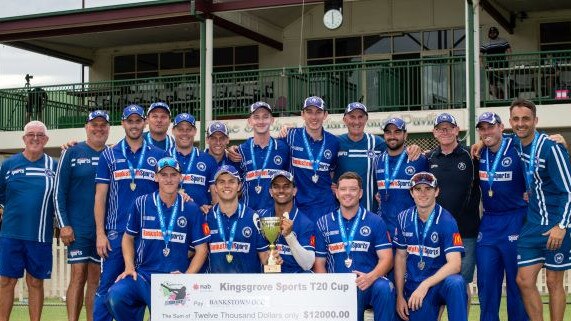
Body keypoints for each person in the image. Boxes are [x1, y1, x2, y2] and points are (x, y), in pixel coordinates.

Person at [106, 157, 209, 321]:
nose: (169, 179)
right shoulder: (141, 203)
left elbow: (202, 250)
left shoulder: (191, 208)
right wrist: (129, 267)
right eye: (164, 174)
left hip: (174, 281)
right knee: (115, 296)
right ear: (156, 177)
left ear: (180, 178)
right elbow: (127, 238)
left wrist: (188, 277)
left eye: (173, 174)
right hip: (144, 276)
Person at [93, 105, 166, 321]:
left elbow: (168, 188)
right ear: (123, 124)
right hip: (117, 232)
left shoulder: (159, 155)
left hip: (149, 235)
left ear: (144, 123)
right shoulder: (109, 155)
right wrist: (100, 233)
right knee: (107, 287)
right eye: (129, 121)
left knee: (151, 287)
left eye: (138, 121)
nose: (134, 125)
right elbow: (100, 196)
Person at [509, 99, 571, 321]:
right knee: (523, 281)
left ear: (535, 120)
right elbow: (494, 141)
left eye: (526, 119)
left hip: (556, 226)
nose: (521, 123)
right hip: (532, 224)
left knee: (554, 282)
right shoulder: (515, 144)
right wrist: (477, 145)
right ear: (510, 122)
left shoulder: (551, 148)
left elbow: (569, 191)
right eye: (516, 119)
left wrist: (561, 226)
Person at [314, 172, 395, 321]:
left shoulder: (375, 221)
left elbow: (387, 259)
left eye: (353, 189)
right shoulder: (323, 223)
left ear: (360, 193)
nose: (348, 193)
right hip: (338, 288)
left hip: (368, 284)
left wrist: (370, 277)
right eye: (343, 189)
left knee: (385, 287)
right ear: (337, 193)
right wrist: (327, 287)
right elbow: (319, 263)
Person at [54, 110, 110, 321]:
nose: (98, 128)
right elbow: (58, 191)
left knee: (96, 279)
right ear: (87, 127)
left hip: (102, 230)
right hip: (78, 227)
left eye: (103, 125)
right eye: (94, 125)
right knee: (78, 275)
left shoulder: (112, 154)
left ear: (108, 128)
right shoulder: (71, 152)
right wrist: (63, 224)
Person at [0, 121, 57, 321]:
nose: (35, 138)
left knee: (35, 283)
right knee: (6, 282)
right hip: (10, 235)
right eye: (30, 134)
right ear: (24, 139)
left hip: (40, 236)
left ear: (46, 140)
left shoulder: (54, 166)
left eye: (40, 135)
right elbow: (1, 197)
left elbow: (60, 198)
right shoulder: (8, 165)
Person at [475, 111, 528, 321]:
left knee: (517, 284)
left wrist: (556, 138)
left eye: (491, 126)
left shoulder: (517, 147)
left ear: (501, 127)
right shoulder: (477, 153)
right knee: (486, 284)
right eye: (482, 128)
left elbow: (536, 142)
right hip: (488, 222)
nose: (487, 131)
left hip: (516, 219)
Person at [394, 172, 467, 321]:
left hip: (439, 283)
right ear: (411, 193)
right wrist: (400, 295)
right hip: (415, 284)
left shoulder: (447, 220)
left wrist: (425, 285)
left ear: (437, 191)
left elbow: (455, 264)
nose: (423, 193)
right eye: (418, 189)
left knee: (456, 283)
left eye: (428, 189)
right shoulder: (403, 218)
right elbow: (400, 257)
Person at [427, 112, 480, 309]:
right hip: (437, 234)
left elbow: (500, 145)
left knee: (461, 283)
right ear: (435, 133)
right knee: (437, 282)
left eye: (450, 127)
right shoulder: (428, 158)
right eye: (441, 128)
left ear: (457, 130)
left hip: (466, 233)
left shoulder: (473, 155)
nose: (446, 131)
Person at [203, 165, 278, 273]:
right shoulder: (206, 217)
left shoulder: (253, 217)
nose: (226, 186)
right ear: (215, 188)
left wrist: (272, 259)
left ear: (239, 186)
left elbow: (264, 257)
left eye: (231, 181)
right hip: (216, 287)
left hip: (247, 287)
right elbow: (197, 251)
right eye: (221, 182)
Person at [285, 96, 339, 223]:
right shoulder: (290, 136)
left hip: (326, 206)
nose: (314, 117)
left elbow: (331, 172)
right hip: (299, 206)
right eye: (309, 112)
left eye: (318, 112)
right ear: (302, 114)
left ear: (325, 115)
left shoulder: (333, 142)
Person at [376, 117, 429, 240]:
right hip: (385, 229)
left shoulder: (419, 159)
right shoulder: (378, 160)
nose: (392, 136)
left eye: (397, 132)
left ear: (405, 135)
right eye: (388, 132)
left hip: (411, 227)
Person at [257, 170, 315, 273]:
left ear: (294, 191)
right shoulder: (260, 217)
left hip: (294, 284)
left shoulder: (305, 223)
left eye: (286, 186)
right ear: (270, 191)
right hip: (266, 283)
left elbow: (308, 264)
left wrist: (289, 236)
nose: (281, 190)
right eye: (276, 186)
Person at [334, 102, 386, 212]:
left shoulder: (378, 143)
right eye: (352, 117)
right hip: (342, 211)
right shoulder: (335, 143)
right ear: (345, 120)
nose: (357, 122)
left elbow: (397, 156)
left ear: (366, 119)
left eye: (360, 117)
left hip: (371, 210)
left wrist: (413, 149)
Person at [237, 102, 290, 210]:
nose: (261, 121)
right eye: (256, 117)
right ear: (250, 121)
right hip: (248, 215)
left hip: (275, 216)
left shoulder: (283, 148)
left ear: (272, 120)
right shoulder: (241, 150)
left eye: (265, 117)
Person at [170, 113, 217, 209]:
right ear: (173, 131)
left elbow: (215, 195)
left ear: (195, 131)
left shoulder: (208, 159)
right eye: (180, 129)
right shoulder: (164, 157)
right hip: (169, 216)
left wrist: (212, 209)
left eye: (188, 129)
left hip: (199, 217)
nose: (185, 133)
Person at [480, 26, 512, 99]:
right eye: (491, 33)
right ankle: (495, 98)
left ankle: (506, 97)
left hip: (502, 64)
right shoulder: (486, 43)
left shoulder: (503, 41)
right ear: (489, 34)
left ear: (497, 33)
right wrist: (482, 64)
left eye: (494, 32)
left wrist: (509, 61)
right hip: (491, 65)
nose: (492, 34)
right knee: (492, 82)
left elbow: (509, 51)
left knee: (503, 80)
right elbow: (481, 54)